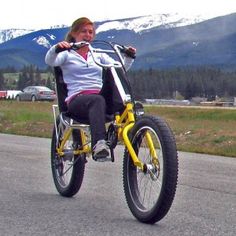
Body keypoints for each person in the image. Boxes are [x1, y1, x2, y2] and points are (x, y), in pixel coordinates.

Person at [45, 17, 136, 162]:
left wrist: (129, 57)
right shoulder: (66, 55)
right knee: (97, 100)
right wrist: (56, 48)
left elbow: (120, 69)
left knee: (113, 72)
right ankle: (99, 145)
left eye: (90, 32)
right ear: (74, 33)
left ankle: (135, 127)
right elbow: (50, 60)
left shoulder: (98, 55)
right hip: (77, 100)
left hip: (99, 100)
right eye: (83, 31)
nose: (88, 35)